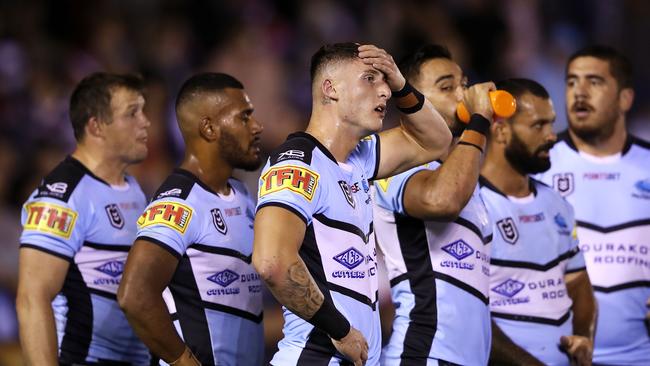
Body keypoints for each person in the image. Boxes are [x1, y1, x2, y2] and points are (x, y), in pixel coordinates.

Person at [252, 42, 452, 365]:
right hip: (314, 357)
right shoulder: (298, 164)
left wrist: (401, 83)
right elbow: (272, 261)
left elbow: (436, 140)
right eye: (370, 79)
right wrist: (340, 330)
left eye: (385, 81)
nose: (384, 91)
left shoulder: (359, 159)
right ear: (330, 89)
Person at [117, 73, 265, 365]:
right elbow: (134, 295)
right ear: (209, 128)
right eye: (244, 117)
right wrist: (185, 361)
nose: (257, 127)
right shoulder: (178, 203)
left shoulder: (242, 194)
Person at [16, 72, 151, 365]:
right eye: (132, 113)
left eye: (143, 110)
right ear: (96, 126)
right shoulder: (61, 198)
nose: (146, 122)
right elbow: (32, 298)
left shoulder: (134, 189)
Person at [372, 44, 495, 365]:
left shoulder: (466, 174)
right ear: (409, 100)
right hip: (423, 354)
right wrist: (479, 121)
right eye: (446, 87)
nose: (463, 95)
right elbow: (442, 200)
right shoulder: (393, 166)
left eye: (464, 84)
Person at [536, 45, 650, 365]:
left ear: (625, 99)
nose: (579, 92)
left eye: (594, 82)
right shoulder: (536, 164)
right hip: (555, 356)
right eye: (571, 82)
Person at [480, 78, 596, 365]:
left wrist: (583, 338)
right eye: (537, 126)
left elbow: (579, 284)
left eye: (551, 123)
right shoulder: (471, 207)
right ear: (501, 130)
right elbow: (468, 313)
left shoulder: (558, 205)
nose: (551, 136)